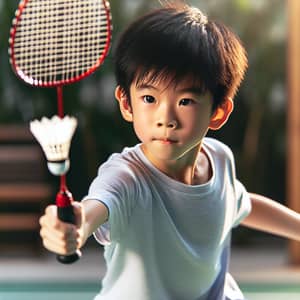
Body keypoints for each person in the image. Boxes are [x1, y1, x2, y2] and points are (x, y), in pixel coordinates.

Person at [39, 3, 300, 300]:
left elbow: (238, 203)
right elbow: (94, 210)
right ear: (127, 104)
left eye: (186, 101)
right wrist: (74, 226)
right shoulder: (126, 178)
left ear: (218, 112)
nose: (166, 118)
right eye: (149, 97)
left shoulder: (219, 159)